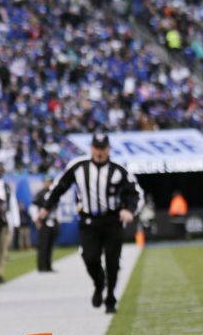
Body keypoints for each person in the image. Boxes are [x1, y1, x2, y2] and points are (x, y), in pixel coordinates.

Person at [37, 133, 144, 314]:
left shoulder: (118, 169)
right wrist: (46, 208)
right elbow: (60, 186)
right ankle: (99, 282)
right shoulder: (79, 166)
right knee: (89, 257)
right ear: (91, 148)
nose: (99, 152)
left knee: (112, 260)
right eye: (96, 148)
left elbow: (135, 193)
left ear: (108, 149)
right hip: (89, 221)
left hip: (112, 220)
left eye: (103, 148)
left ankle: (110, 298)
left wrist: (129, 210)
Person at [32, 175, 59, 273]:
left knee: (50, 245)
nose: (47, 183)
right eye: (46, 181)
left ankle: (48, 266)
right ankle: (41, 266)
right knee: (43, 245)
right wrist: (36, 219)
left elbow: (56, 208)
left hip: (53, 221)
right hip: (43, 222)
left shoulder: (54, 193)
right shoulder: (40, 193)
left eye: (49, 181)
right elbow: (33, 207)